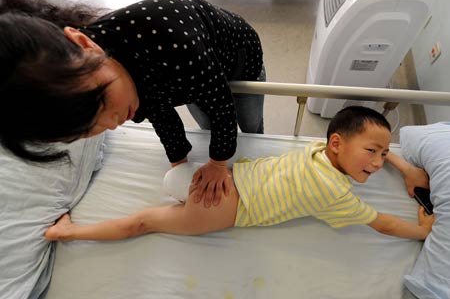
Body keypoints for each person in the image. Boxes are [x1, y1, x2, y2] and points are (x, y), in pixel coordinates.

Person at [0, 0, 265, 207]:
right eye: (87, 131)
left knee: (249, 119)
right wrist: (179, 164)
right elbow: (157, 107)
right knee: (206, 124)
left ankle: (257, 134)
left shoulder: (172, 41)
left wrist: (218, 163)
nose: (113, 123)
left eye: (101, 103)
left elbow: (221, 103)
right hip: (195, 75)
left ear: (84, 43)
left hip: (238, 60)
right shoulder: (116, 75)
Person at [45, 106, 434, 242]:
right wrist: (421, 231)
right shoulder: (334, 195)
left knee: (160, 203)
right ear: (335, 144)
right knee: (143, 224)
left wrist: (403, 165)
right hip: (221, 206)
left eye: (384, 154)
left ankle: (176, 180)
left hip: (220, 178)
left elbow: (374, 153)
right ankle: (68, 232)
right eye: (372, 152)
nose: (379, 161)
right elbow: (382, 223)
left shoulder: (318, 151)